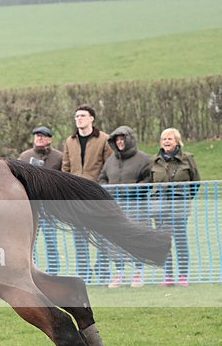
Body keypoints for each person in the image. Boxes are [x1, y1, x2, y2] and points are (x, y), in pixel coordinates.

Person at [61, 104, 113, 283]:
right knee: (79, 238)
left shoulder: (104, 139)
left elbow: (109, 167)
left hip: (96, 196)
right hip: (75, 198)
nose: (79, 119)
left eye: (82, 115)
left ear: (92, 118)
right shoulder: (70, 141)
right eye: (76, 116)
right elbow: (65, 168)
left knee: (102, 236)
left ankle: (103, 271)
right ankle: (84, 273)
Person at [98, 126, 152, 288]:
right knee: (115, 241)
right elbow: (102, 178)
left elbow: (149, 180)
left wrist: (133, 189)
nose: (120, 142)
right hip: (115, 208)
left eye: (123, 139)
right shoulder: (110, 161)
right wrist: (106, 189)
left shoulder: (143, 159)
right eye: (117, 140)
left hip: (137, 207)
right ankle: (119, 273)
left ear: (129, 139)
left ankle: (138, 273)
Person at [150, 128, 201, 287]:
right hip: (159, 209)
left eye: (170, 139)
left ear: (177, 141)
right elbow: (149, 184)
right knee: (163, 242)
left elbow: (196, 182)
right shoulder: (154, 161)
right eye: (164, 139)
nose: (166, 141)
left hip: (179, 208)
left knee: (180, 241)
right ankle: (168, 276)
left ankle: (183, 276)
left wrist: (184, 198)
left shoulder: (188, 159)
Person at [19, 126, 62, 275]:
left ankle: (54, 271)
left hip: (50, 206)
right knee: (30, 242)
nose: (39, 138)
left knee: (51, 240)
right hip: (30, 207)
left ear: (49, 139)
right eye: (37, 136)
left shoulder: (58, 157)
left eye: (43, 136)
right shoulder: (24, 156)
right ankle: (31, 270)